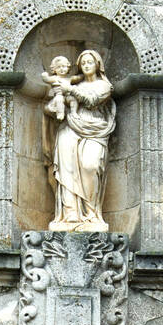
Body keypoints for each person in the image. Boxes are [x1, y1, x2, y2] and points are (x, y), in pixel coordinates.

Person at [47, 48, 115, 232]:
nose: (86, 65)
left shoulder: (104, 86)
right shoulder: (73, 82)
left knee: (90, 166)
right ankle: (70, 214)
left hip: (95, 129)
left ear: (97, 65)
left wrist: (69, 89)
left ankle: (91, 215)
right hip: (70, 126)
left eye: (89, 62)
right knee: (67, 169)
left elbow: (92, 101)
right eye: (83, 63)